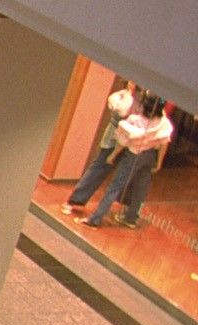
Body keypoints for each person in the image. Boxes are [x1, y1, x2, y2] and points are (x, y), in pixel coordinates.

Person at [83, 95, 171, 228]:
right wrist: (159, 162)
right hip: (150, 155)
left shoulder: (133, 120)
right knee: (140, 189)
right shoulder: (164, 123)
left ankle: (95, 219)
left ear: (143, 106)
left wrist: (113, 155)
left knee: (115, 186)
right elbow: (164, 144)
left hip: (133, 155)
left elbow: (123, 142)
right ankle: (131, 218)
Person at [65, 84, 137, 215]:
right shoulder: (119, 96)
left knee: (127, 176)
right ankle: (75, 200)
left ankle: (127, 211)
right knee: (99, 167)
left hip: (133, 142)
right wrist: (131, 93)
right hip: (114, 138)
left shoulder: (144, 100)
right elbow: (123, 111)